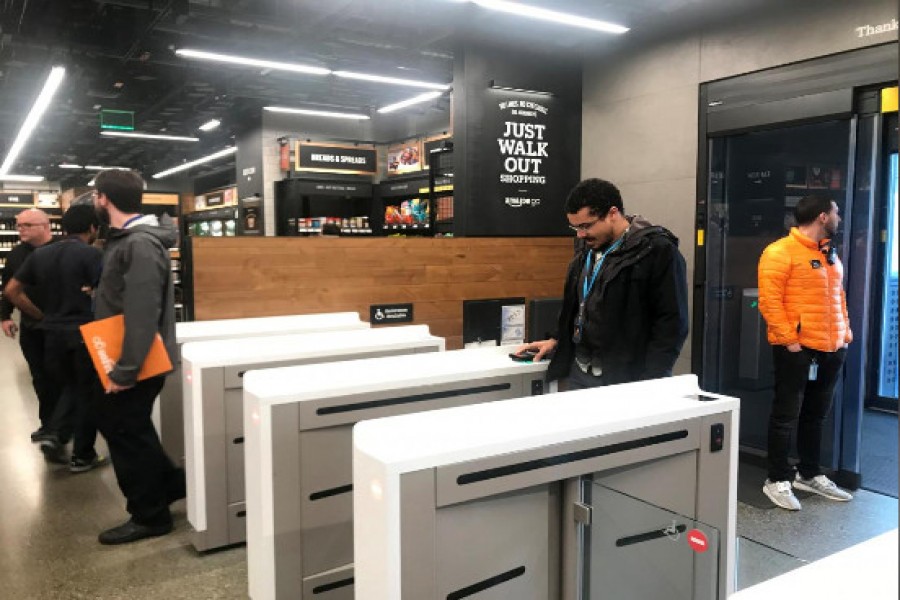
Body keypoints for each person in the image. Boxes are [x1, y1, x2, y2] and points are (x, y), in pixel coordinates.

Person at [516, 178, 689, 389]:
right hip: (579, 371)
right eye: (575, 228)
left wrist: (652, 382)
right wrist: (557, 339)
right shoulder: (586, 248)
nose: (580, 234)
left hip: (625, 378)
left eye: (586, 226)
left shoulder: (657, 250)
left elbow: (671, 324)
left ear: (613, 213)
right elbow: (578, 304)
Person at [90, 169, 184, 544]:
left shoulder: (139, 244)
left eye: (95, 196)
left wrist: (125, 370)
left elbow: (143, 312)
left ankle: (150, 516)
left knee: (126, 433)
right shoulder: (125, 240)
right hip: (126, 355)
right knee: (133, 430)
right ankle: (170, 485)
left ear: (104, 198)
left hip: (136, 361)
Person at [758, 194, 854, 510]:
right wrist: (790, 341)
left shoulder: (830, 255)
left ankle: (809, 473)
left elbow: (838, 298)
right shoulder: (779, 252)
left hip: (831, 347)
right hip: (797, 349)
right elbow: (769, 302)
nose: (839, 217)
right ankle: (777, 479)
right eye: (836, 212)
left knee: (815, 416)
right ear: (823, 217)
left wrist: (845, 334)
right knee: (785, 416)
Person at [5, 205, 106, 471]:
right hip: (83, 333)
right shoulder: (91, 254)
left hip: (51, 335)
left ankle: (54, 432)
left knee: (67, 387)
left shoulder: (41, 256)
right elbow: (107, 293)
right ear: (93, 228)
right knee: (86, 394)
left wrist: (40, 315)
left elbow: (12, 290)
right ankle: (82, 455)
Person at [0, 208, 59, 443]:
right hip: (32, 327)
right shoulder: (16, 255)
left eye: (26, 225)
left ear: (44, 226)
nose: (20, 229)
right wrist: (5, 316)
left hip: (61, 326)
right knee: (40, 377)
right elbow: (7, 289)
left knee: (62, 378)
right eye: (18, 225)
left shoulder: (62, 249)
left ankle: (64, 424)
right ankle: (48, 424)